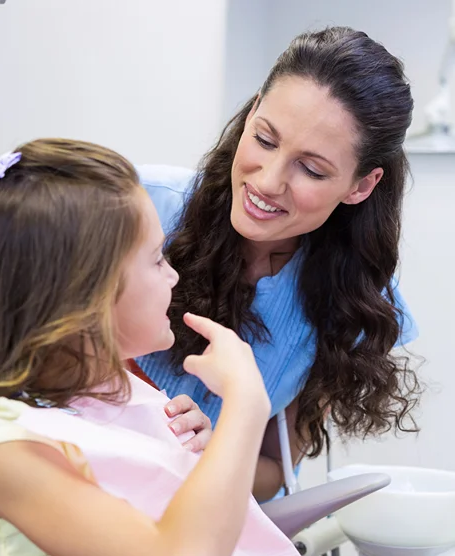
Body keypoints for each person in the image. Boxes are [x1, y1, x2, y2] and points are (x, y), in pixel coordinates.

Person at [0, 138, 454, 556]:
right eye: (156, 259)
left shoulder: (117, 400)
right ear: (86, 295)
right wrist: (244, 402)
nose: (173, 278)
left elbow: (232, 554)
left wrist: (210, 451)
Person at [137, 26, 422, 501]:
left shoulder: (358, 299)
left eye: (311, 170)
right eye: (265, 139)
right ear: (251, 115)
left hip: (202, 520)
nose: (268, 182)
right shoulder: (142, 207)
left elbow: (275, 470)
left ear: (361, 186)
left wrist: (217, 450)